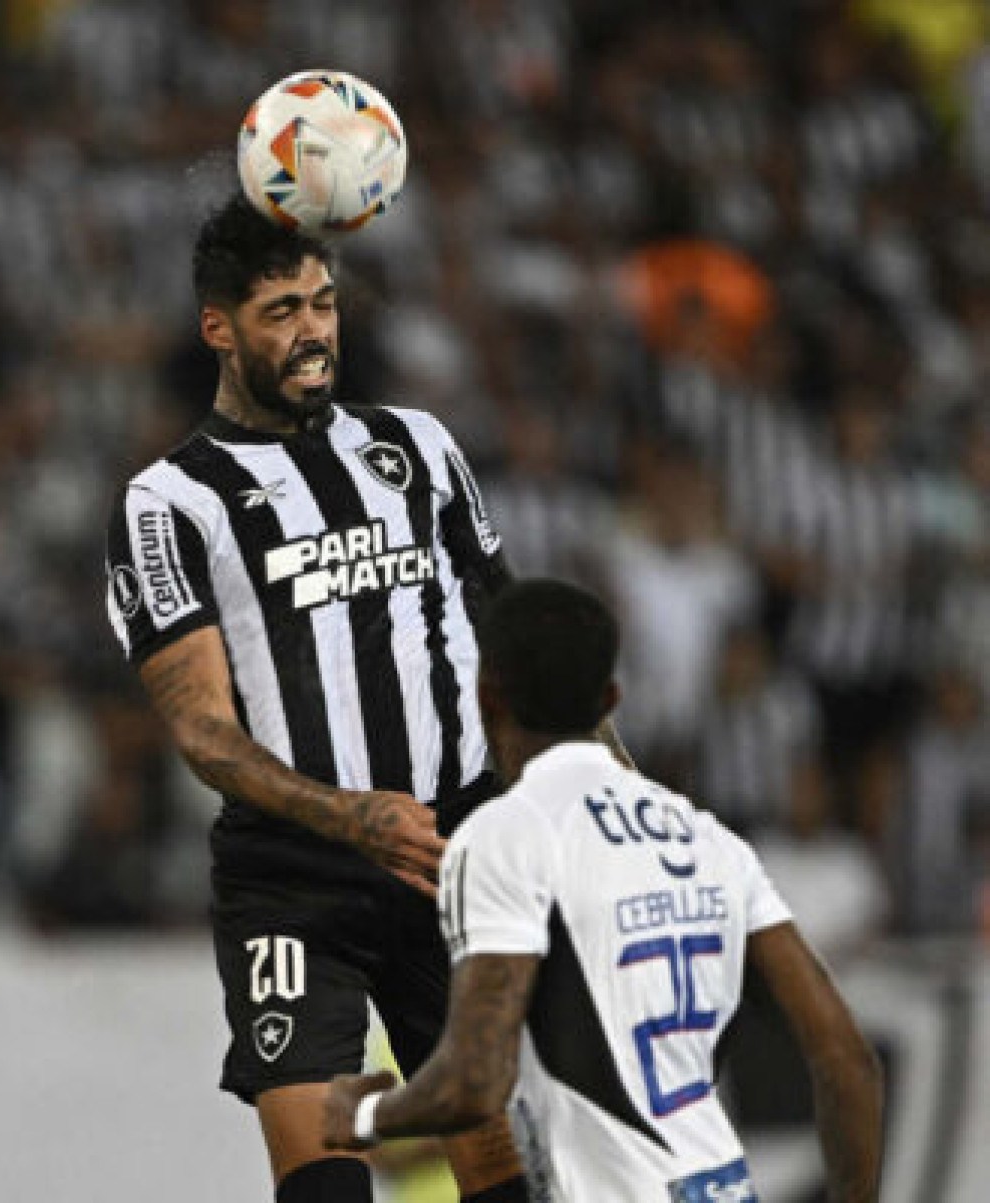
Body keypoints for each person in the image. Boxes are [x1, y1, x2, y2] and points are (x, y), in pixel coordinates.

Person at [107, 196, 552, 1202]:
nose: (312, 331)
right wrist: (353, 817)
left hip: (453, 853)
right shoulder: (168, 503)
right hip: (294, 875)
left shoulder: (419, 448)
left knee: (497, 1166)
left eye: (323, 303)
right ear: (218, 328)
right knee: (322, 1180)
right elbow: (203, 733)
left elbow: (520, 641)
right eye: (279, 312)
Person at [322, 579, 883, 1202]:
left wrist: (365, 1116)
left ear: (488, 699)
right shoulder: (708, 841)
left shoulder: (506, 837)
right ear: (611, 699)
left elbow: (474, 1080)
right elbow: (847, 1060)